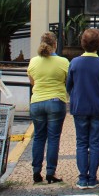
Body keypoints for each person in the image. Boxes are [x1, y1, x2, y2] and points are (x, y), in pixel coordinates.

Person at [66, 28, 99, 189]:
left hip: (80, 106)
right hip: (98, 106)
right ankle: (92, 177)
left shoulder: (75, 62)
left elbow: (69, 85)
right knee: (95, 143)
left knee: (81, 142)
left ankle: (82, 177)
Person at [27, 31, 69, 184]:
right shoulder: (63, 62)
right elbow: (67, 81)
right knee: (53, 138)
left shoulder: (33, 62)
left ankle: (36, 170)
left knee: (38, 137)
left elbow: (32, 81)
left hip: (37, 101)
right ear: (55, 44)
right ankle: (51, 172)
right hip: (56, 101)